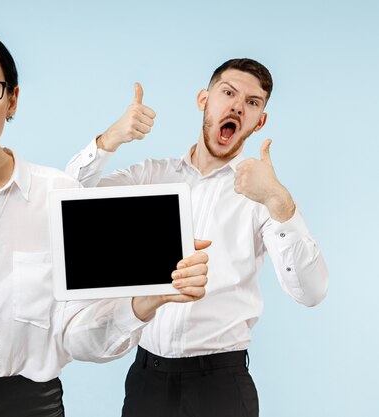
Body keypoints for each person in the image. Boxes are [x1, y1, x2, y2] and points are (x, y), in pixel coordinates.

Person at [0, 27, 210, 417]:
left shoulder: (58, 194)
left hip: (35, 408)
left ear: (12, 101)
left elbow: (79, 339)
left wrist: (150, 298)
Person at [66, 58, 329, 417]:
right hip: (147, 379)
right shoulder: (151, 176)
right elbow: (67, 202)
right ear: (203, 99)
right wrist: (109, 139)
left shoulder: (262, 193)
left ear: (259, 121)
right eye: (228, 92)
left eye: (252, 103)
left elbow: (311, 292)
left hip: (221, 384)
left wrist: (279, 202)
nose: (238, 105)